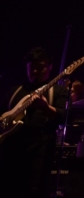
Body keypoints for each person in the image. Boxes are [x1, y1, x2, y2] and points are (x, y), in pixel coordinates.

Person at [0, 47, 69, 198]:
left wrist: (45, 107)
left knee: (34, 190)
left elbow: (63, 117)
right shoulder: (15, 91)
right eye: (32, 67)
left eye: (40, 67)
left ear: (50, 67)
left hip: (40, 151)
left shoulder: (58, 91)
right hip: (11, 151)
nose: (35, 72)